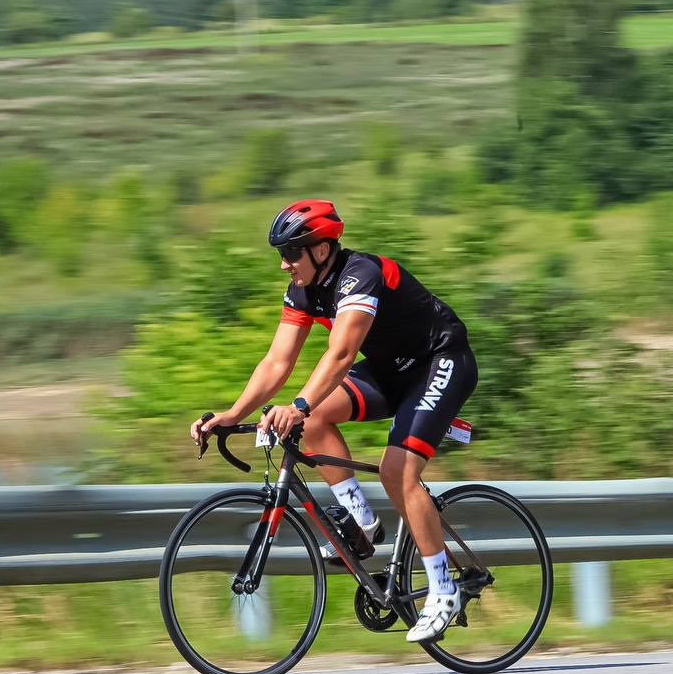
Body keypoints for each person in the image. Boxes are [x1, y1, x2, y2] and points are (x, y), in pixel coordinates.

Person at [191, 199, 477, 643]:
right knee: (317, 417)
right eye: (280, 255)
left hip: (441, 361)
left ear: (321, 250)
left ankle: (443, 589)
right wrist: (231, 414)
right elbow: (276, 362)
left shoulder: (361, 274)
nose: (284, 264)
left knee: (396, 472)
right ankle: (361, 522)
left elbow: (341, 354)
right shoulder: (304, 290)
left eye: (291, 254)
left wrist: (297, 405)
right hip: (392, 370)